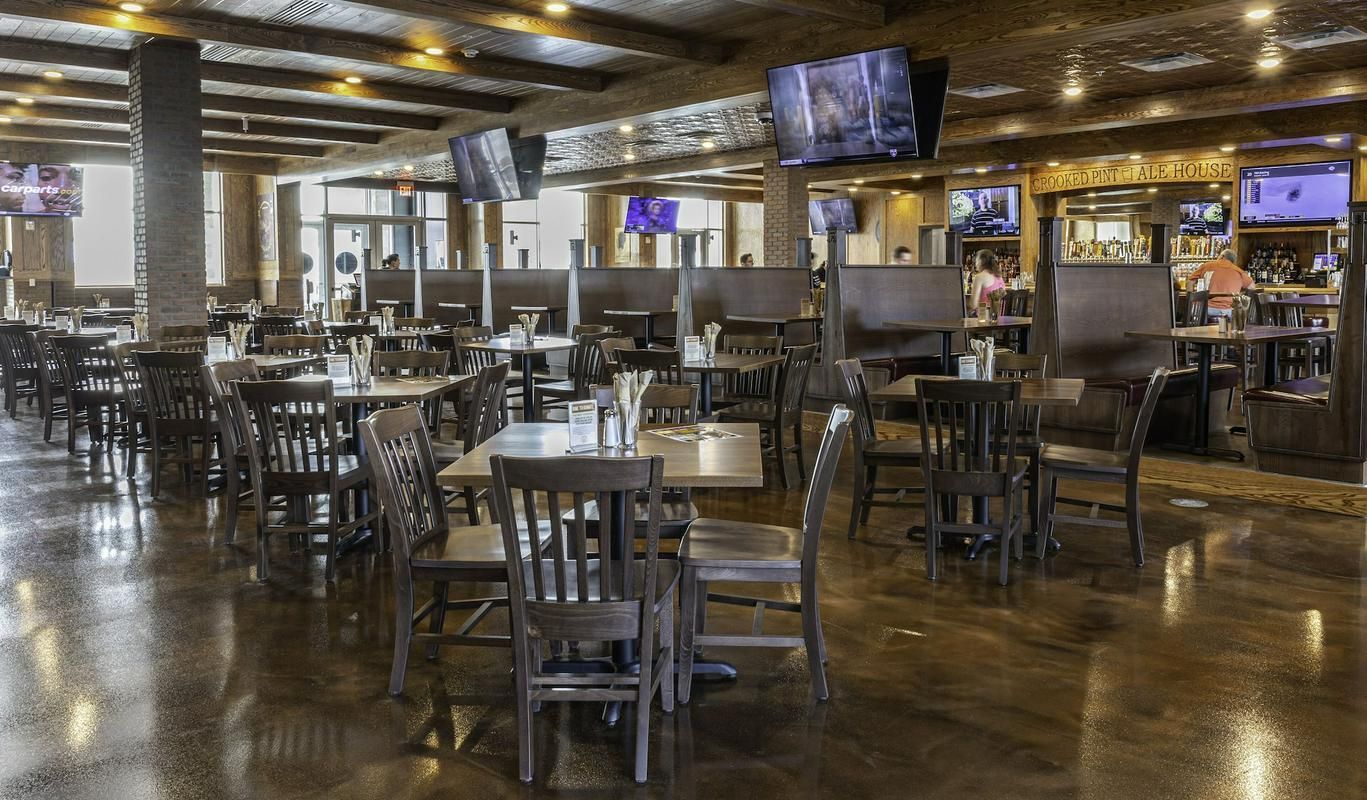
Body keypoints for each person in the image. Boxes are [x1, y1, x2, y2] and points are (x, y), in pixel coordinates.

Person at [1188, 248, 1254, 316]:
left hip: (1206, 309)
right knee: (1236, 314)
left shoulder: (1207, 266)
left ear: (1222, 256)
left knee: (1190, 312)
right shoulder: (1239, 271)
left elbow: (1190, 281)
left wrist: (1190, 299)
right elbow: (1252, 287)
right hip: (1229, 311)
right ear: (1233, 261)